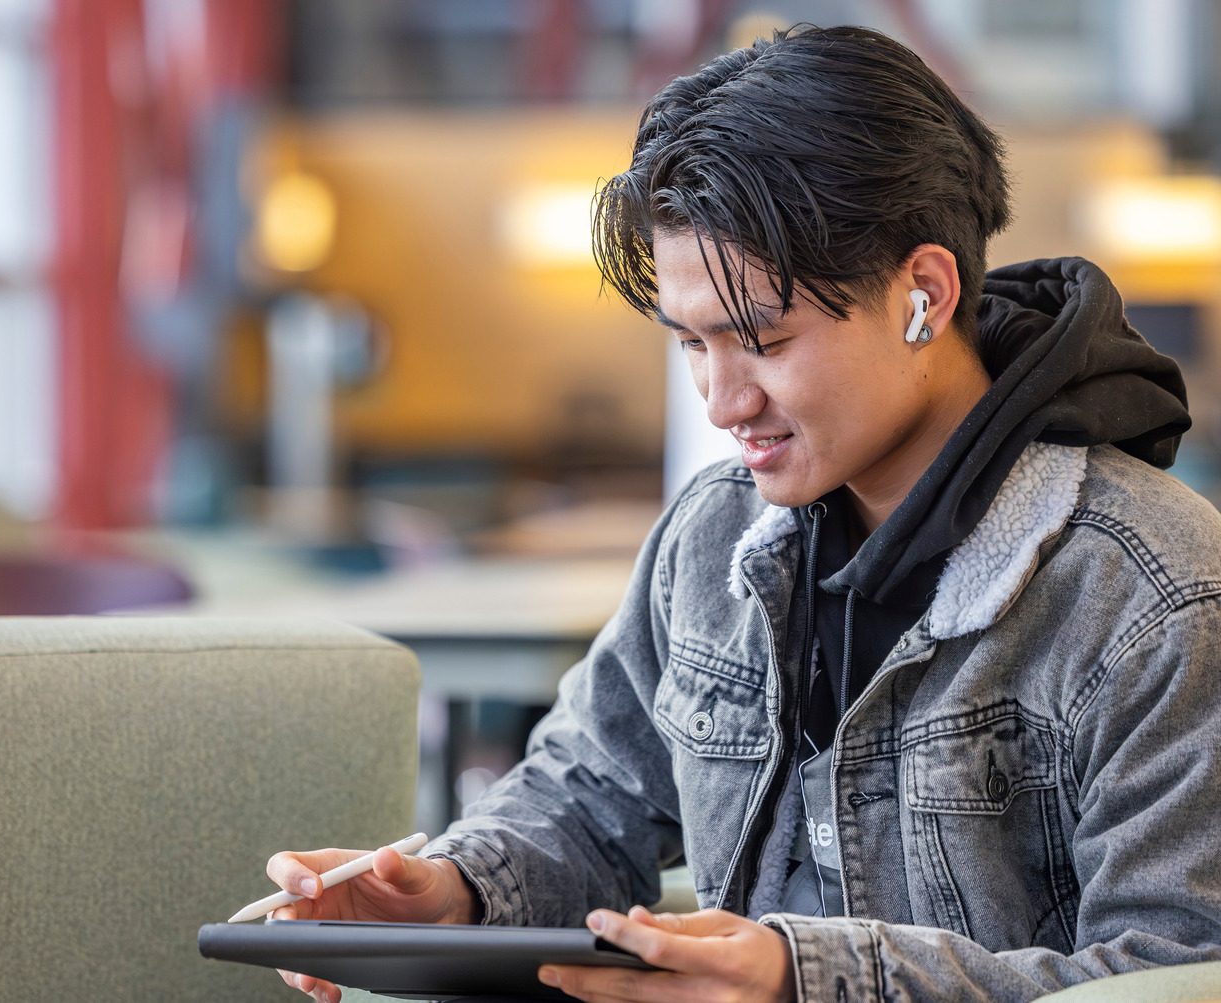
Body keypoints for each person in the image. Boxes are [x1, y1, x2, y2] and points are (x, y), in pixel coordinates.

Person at [268, 24, 1221, 1003]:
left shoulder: (1155, 593)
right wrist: (456, 889)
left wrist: (809, 982)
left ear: (922, 294)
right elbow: (592, 798)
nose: (721, 402)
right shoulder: (713, 535)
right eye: (690, 343)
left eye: (761, 340)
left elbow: (1176, 970)